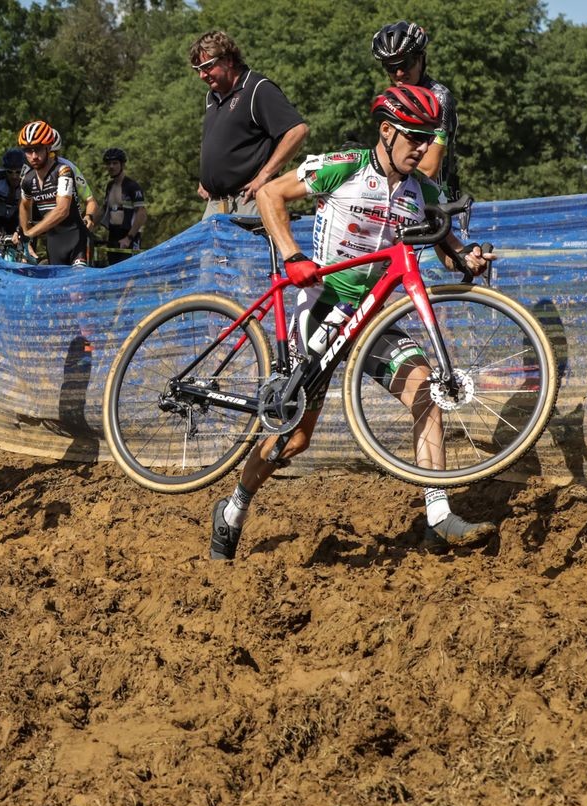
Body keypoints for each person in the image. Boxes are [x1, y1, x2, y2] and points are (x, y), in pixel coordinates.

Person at [209, 85, 497, 560]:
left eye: (428, 138)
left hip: (376, 317)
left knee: (426, 392)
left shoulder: (423, 191)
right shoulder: (344, 166)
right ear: (386, 131)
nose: (424, 148)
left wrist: (469, 257)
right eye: (414, 138)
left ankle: (439, 517)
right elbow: (268, 193)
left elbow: (450, 255)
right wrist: (292, 254)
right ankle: (235, 506)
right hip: (323, 308)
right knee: (294, 439)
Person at [190, 30, 309, 218]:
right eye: (197, 70)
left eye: (207, 67)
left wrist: (265, 175)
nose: (202, 76)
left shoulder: (257, 88)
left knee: (250, 249)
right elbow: (218, 142)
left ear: (228, 60)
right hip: (215, 204)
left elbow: (297, 131)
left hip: (248, 201)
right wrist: (206, 179)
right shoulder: (211, 96)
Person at [371, 20, 459, 200]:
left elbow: (429, 169)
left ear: (421, 58)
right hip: (398, 195)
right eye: (391, 67)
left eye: (406, 64)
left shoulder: (439, 98)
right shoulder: (390, 99)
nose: (399, 73)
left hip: (437, 199)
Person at [16, 120, 90, 266]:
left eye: (38, 149)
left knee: (76, 287)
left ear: (48, 148)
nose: (33, 156)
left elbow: (62, 210)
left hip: (76, 239)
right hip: (54, 242)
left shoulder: (63, 171)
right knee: (58, 288)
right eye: (28, 151)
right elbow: (24, 206)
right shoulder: (27, 179)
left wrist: (30, 233)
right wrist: (25, 238)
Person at [94, 148, 147, 264]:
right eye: (108, 164)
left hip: (129, 235)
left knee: (128, 272)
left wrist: (129, 237)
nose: (111, 167)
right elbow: (104, 209)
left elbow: (142, 213)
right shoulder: (110, 186)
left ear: (122, 164)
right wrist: (89, 225)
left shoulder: (132, 186)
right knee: (112, 270)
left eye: (115, 163)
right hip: (113, 234)